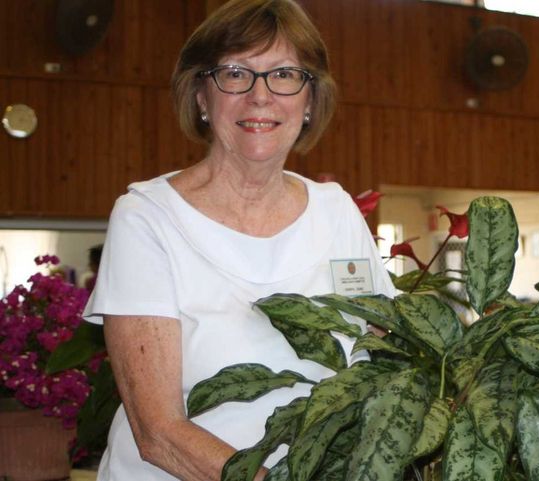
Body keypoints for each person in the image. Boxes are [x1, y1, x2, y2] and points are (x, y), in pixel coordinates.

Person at [82, 1, 395, 479]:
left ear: (310, 101)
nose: (260, 96)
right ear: (202, 97)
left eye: (285, 74)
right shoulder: (147, 218)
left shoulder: (337, 211)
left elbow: (384, 361)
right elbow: (159, 432)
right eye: (235, 73)